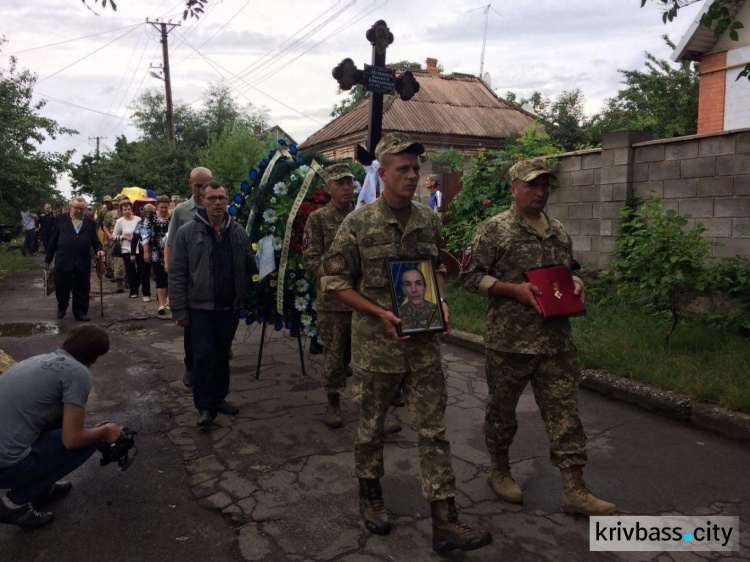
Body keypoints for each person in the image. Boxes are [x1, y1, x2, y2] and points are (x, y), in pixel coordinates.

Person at [322, 133, 491, 554]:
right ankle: (371, 495)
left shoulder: (427, 220)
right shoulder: (358, 224)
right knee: (371, 428)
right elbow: (334, 283)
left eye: (417, 169)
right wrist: (378, 312)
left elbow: (434, 272)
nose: (414, 175)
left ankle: (445, 519)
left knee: (434, 430)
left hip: (423, 345)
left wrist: (442, 304)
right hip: (376, 348)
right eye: (404, 168)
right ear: (383, 174)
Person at [459, 157, 616, 517]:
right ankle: (500, 471)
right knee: (502, 412)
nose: (540, 192)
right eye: (532, 185)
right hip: (509, 342)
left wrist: (576, 284)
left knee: (565, 415)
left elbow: (570, 272)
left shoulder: (558, 231)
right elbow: (469, 277)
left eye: (545, 185)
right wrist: (513, 290)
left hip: (556, 341)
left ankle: (575, 489)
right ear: (514, 188)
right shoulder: (494, 231)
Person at [0, 325, 125, 529]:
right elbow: (72, 439)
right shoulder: (78, 372)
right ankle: (14, 503)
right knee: (84, 442)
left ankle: (40, 490)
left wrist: (92, 431)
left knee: (75, 426)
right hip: (6, 465)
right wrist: (102, 432)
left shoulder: (40, 359)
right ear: (95, 356)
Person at [169, 181, 255, 427]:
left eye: (222, 198)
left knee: (221, 355)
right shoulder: (187, 232)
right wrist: (179, 310)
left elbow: (249, 264)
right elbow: (176, 274)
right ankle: (205, 408)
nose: (218, 202)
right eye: (212, 198)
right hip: (200, 308)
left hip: (229, 307)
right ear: (202, 200)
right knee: (204, 356)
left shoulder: (238, 231)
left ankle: (219, 398)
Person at [166, 167, 212, 388]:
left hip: (213, 278)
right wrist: (169, 266)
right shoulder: (182, 211)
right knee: (191, 327)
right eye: (198, 186)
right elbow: (171, 242)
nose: (202, 190)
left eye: (206, 184)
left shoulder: (219, 205)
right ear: (190, 185)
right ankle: (190, 366)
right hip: (190, 278)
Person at [44, 197, 105, 322]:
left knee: (82, 288)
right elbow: (53, 240)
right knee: (61, 286)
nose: (78, 211)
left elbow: (95, 240)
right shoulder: (60, 219)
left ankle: (80, 312)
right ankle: (62, 306)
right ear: (70, 206)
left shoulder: (90, 222)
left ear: (85, 209)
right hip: (64, 259)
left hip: (82, 260)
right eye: (76, 208)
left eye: (81, 209)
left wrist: (99, 249)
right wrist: (48, 260)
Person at [142, 195, 171, 314]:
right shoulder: (150, 217)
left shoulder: (173, 217)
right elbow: (145, 235)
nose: (164, 210)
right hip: (155, 252)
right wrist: (145, 251)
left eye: (166, 207)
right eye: (161, 207)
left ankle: (169, 301)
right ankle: (161, 304)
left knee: (170, 278)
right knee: (160, 278)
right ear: (156, 206)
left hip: (171, 252)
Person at [112, 200, 141, 299]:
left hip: (138, 247)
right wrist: (123, 237)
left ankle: (136, 285)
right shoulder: (119, 221)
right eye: (125, 209)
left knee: (141, 270)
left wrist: (136, 237)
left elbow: (144, 232)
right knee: (130, 270)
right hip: (126, 249)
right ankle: (134, 291)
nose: (127, 211)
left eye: (129, 209)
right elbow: (114, 237)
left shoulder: (138, 219)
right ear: (121, 210)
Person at [397, 267, 441, 331]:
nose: (414, 290)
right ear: (403, 289)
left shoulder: (437, 311)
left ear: (425, 287)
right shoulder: (398, 315)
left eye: (418, 283)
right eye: (407, 284)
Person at [131, 203, 154, 303]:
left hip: (157, 249)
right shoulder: (141, 223)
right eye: (146, 212)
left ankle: (159, 295)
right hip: (143, 250)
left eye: (150, 212)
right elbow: (134, 239)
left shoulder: (157, 222)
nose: (147, 214)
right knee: (144, 272)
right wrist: (132, 253)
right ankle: (146, 293)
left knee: (157, 272)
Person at [102, 195, 126, 292]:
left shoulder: (130, 213)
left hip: (128, 240)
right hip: (116, 240)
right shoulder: (111, 214)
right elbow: (104, 226)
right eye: (116, 202)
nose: (117, 203)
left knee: (129, 261)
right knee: (117, 262)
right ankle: (119, 282)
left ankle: (128, 280)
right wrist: (108, 237)